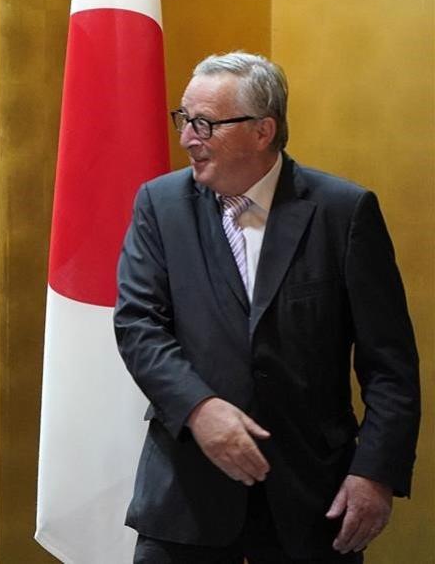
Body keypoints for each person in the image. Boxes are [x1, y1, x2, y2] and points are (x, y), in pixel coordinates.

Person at [114, 51, 420, 562]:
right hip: (188, 497)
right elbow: (139, 324)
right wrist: (199, 408)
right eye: (184, 118)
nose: (188, 136)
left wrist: (375, 473)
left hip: (311, 499)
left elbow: (390, 365)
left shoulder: (343, 212)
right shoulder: (159, 205)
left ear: (262, 131)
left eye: (205, 123)